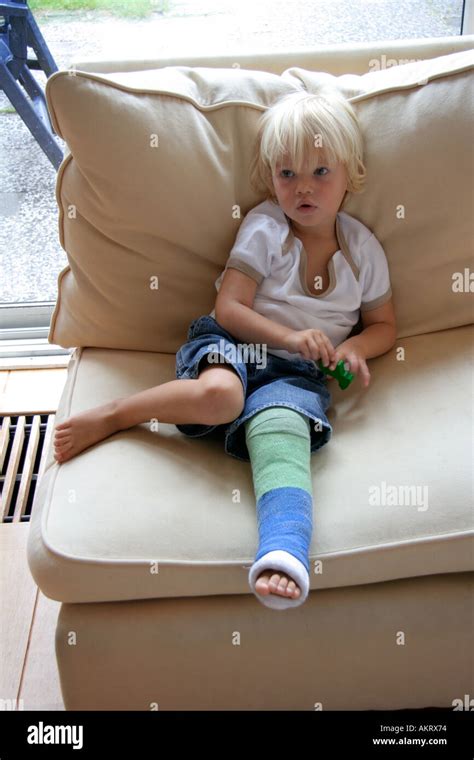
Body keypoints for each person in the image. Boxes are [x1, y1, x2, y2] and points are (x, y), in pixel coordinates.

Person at [53, 89, 396, 610]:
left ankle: (283, 550)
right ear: (271, 179)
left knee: (282, 427)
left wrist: (354, 350)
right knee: (221, 396)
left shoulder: (363, 249)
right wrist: (288, 337)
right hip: (233, 346)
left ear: (352, 174)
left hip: (295, 378)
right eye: (287, 174)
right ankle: (118, 413)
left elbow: (384, 325)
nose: (303, 187)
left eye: (321, 172)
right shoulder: (265, 228)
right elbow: (230, 307)